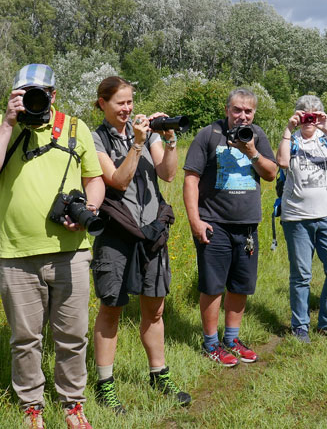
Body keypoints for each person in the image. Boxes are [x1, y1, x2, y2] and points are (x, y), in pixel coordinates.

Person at [0, 64, 103, 429]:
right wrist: (7, 123)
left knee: (72, 336)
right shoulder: (0, 125)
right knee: (26, 338)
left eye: (39, 92)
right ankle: (32, 407)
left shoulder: (76, 128)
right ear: (14, 94)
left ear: (53, 95)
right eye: (24, 91)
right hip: (16, 255)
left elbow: (95, 179)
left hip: (72, 252)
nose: (33, 98)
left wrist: (90, 208)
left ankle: (73, 405)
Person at [89, 76, 191, 413]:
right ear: (103, 103)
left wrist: (169, 138)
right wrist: (136, 144)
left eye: (130, 102)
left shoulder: (145, 134)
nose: (127, 108)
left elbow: (168, 173)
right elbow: (117, 180)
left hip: (151, 232)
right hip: (116, 233)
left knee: (155, 308)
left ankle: (158, 374)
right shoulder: (95, 138)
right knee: (112, 307)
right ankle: (105, 384)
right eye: (120, 102)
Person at [183, 88, 277, 366]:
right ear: (227, 110)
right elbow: (190, 180)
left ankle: (231, 339)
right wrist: (195, 221)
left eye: (248, 111)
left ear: (254, 113)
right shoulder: (208, 135)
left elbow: (271, 173)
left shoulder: (257, 135)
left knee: (240, 285)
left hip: (247, 226)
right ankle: (211, 343)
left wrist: (252, 152)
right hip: (214, 224)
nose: (242, 116)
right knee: (213, 287)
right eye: (237, 110)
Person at [276, 95, 327, 343]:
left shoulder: (326, 139)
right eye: (304, 113)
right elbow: (282, 162)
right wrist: (289, 128)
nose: (310, 118)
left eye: (315, 113)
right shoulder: (292, 139)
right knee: (301, 275)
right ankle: (300, 326)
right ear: (297, 115)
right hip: (297, 218)